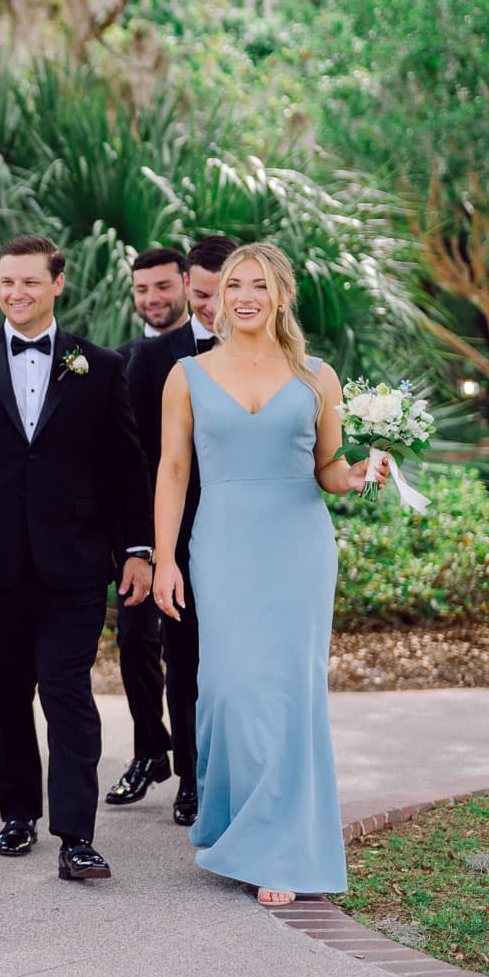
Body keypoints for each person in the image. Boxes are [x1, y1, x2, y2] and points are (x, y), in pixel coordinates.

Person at [152, 243, 384, 906]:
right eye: (234, 285)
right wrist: (165, 557)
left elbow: (330, 470)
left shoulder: (317, 375)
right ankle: (230, 819)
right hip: (221, 541)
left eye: (258, 285)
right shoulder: (187, 375)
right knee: (230, 688)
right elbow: (173, 471)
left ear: (280, 294)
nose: (245, 296)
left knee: (288, 693)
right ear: (219, 296)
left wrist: (361, 475)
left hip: (298, 545)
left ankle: (279, 846)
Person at [0, 234, 152, 882]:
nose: (17, 293)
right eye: (7, 282)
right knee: (4, 696)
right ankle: (18, 812)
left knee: (67, 693)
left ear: (58, 282)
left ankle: (76, 835)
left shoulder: (101, 364)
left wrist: (137, 548)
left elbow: (127, 465)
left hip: (77, 561)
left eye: (30, 282)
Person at [118, 236, 237, 826]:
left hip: (249, 534)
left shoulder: (274, 355)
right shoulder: (154, 358)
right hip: (180, 539)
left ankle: (241, 772)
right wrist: (147, 547)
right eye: (201, 293)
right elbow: (138, 460)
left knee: (241, 662)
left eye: (220, 293)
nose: (209, 305)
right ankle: (191, 777)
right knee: (184, 661)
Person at [105, 246, 192, 814]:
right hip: (142, 528)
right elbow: (122, 453)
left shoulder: (212, 354)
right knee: (135, 639)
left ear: (187, 283)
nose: (152, 299)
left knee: (188, 650)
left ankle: (191, 770)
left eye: (163, 286)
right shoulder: (125, 357)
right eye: (142, 290)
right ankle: (148, 750)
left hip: (200, 521)